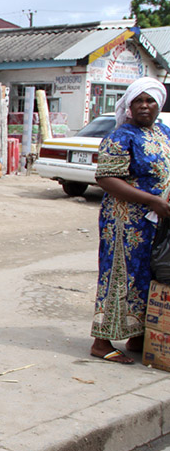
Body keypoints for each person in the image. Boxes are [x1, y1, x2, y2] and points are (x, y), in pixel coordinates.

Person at [90, 77, 170, 364]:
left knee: (148, 277)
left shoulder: (163, 132)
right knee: (120, 277)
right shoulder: (121, 137)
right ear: (129, 106)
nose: (145, 106)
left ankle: (138, 337)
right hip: (124, 222)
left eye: (150, 101)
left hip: (154, 222)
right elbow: (105, 178)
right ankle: (102, 341)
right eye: (139, 101)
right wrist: (151, 200)